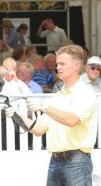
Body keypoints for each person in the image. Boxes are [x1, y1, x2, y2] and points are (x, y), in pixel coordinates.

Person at [6, 44, 97, 186]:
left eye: (62, 64)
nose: (58, 67)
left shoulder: (86, 93)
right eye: (57, 64)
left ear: (76, 65)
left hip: (77, 161)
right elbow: (38, 129)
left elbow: (72, 120)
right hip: (55, 161)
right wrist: (16, 115)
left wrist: (45, 107)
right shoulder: (58, 96)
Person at [0, 57, 31, 150]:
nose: (7, 72)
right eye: (5, 69)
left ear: (15, 70)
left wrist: (16, 78)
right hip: (2, 114)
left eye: (9, 70)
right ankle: (4, 150)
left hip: (18, 115)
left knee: (17, 119)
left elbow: (28, 94)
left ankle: (17, 149)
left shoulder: (19, 83)